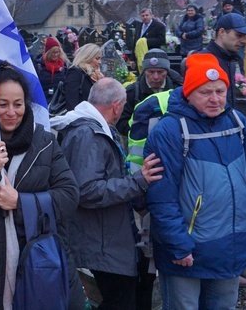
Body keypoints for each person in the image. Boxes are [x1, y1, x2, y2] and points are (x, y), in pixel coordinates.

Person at [0, 62, 84, 309]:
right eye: (2, 104)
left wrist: (20, 203)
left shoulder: (45, 143)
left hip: (38, 269)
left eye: (18, 104)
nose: (11, 112)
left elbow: (69, 196)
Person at [144, 54, 246, 310]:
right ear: (188, 93)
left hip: (229, 242)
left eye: (220, 91)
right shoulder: (169, 131)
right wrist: (177, 244)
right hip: (187, 248)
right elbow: (161, 196)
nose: (215, 99)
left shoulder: (237, 123)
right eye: (205, 92)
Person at [52, 78, 163, 309]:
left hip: (105, 235)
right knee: (120, 301)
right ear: (117, 106)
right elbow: (87, 190)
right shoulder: (88, 134)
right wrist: (137, 182)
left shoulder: (89, 128)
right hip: (100, 240)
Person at [190, 13, 246, 110]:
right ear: (222, 32)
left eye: (244, 36)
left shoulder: (229, 59)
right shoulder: (203, 61)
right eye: (238, 35)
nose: (243, 41)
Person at [116, 48, 183, 136]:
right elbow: (121, 122)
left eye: (160, 72)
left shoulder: (177, 91)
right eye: (151, 72)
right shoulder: (132, 92)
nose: (155, 77)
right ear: (144, 71)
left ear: (167, 71)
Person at [64, 43, 104, 111]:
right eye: (97, 58)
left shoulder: (95, 74)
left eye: (100, 58)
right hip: (81, 116)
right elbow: (71, 101)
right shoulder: (75, 72)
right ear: (88, 57)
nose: (100, 62)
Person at [36, 35, 69, 104]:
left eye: (57, 52)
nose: (55, 55)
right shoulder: (39, 65)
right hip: (43, 100)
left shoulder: (63, 65)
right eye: (53, 52)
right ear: (48, 52)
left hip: (58, 101)